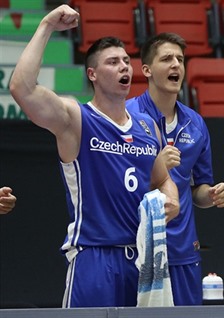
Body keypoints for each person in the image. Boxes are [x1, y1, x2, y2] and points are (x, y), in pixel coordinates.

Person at [9, 5, 180, 307]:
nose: (124, 67)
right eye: (113, 62)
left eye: (127, 61)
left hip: (140, 259)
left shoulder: (146, 126)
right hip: (94, 256)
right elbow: (22, 87)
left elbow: (162, 178)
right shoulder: (76, 118)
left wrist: (172, 200)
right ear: (93, 74)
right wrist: (47, 25)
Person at [126, 32, 224, 305]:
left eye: (180, 60)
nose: (176, 65)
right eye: (167, 59)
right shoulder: (127, 116)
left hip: (184, 249)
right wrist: (156, 166)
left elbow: (198, 189)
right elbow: (117, 183)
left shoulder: (195, 123)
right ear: (146, 69)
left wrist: (212, 195)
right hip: (137, 246)